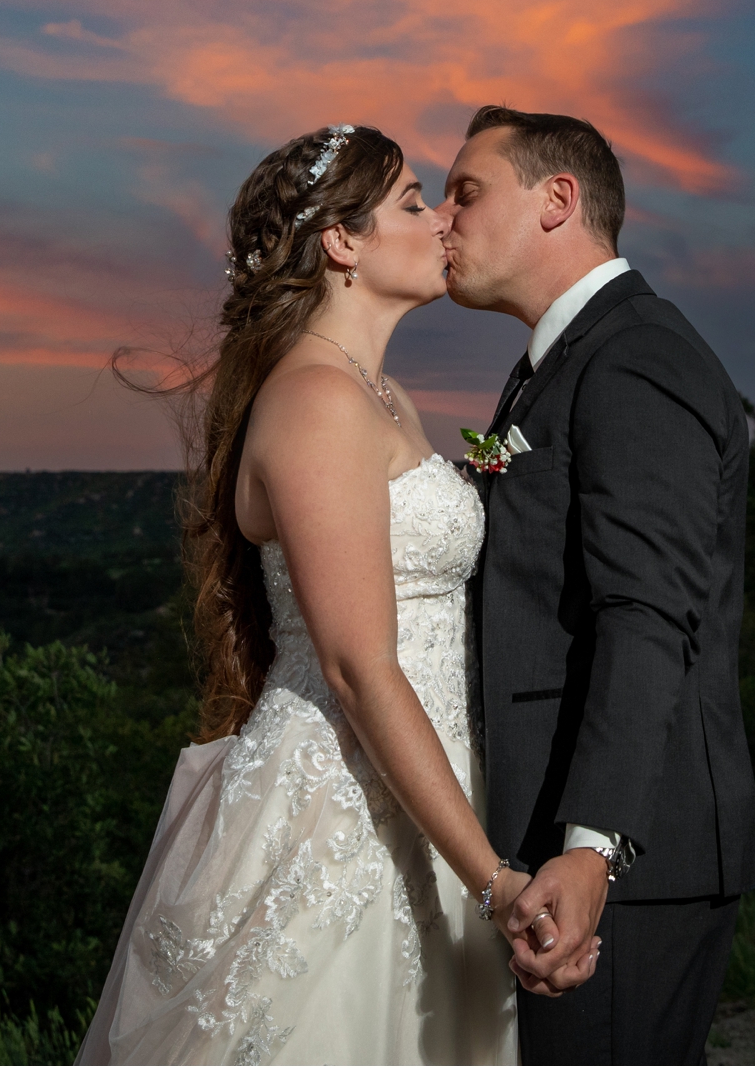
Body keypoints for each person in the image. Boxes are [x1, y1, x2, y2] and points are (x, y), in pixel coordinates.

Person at [81, 124, 571, 1065]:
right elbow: (356, 665)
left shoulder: (388, 397)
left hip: (427, 789)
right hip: (340, 803)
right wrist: (494, 881)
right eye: (416, 203)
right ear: (342, 242)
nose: (441, 223)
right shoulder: (317, 399)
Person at [437, 106, 755, 1065]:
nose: (442, 219)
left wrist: (592, 848)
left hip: (629, 854)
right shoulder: (554, 366)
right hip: (561, 843)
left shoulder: (638, 358)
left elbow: (650, 617)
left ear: (558, 200)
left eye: (467, 190)